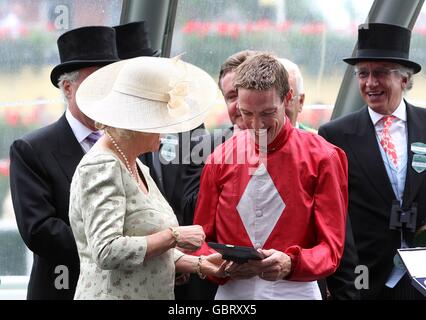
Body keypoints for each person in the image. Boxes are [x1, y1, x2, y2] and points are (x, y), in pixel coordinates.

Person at [193, 53, 349, 299]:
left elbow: (332, 248)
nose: (256, 124)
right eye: (246, 113)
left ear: (288, 98)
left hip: (296, 290)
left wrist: (291, 263)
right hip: (233, 292)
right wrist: (216, 267)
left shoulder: (324, 157)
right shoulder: (219, 158)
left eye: (267, 113)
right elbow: (201, 238)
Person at [69, 55, 225, 300]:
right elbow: (106, 251)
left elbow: (143, 241)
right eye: (158, 121)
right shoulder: (103, 165)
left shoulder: (134, 163)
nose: (165, 131)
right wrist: (174, 236)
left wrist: (198, 264)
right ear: (134, 122)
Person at [9, 26, 119, 300]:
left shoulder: (125, 144)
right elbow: (40, 230)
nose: (105, 93)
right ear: (67, 88)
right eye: (96, 84)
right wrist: (116, 249)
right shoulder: (32, 149)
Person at [319, 23, 426, 300]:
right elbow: (331, 212)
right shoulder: (335, 134)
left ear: (404, 79)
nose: (370, 83)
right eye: (363, 73)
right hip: (364, 279)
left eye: (380, 73)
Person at [278, 58, 316, 133]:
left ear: (301, 101)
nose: (277, 108)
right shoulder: (254, 141)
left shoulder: (317, 141)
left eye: (286, 98)